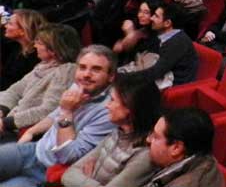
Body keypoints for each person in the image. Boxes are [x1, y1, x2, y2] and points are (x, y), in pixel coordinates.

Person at [0, 45, 117, 186]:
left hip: (50, 173)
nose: (86, 74)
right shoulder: (79, 86)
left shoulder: (110, 110)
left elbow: (68, 155)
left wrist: (68, 112)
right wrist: (31, 131)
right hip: (34, 150)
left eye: (96, 69)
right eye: (82, 67)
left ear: (111, 77)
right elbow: (56, 114)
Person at [62, 76, 162, 187]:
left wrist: (86, 181)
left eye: (113, 100)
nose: (107, 106)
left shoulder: (144, 155)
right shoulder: (117, 132)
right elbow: (68, 174)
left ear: (130, 107)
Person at [0, 23, 79, 136]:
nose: (35, 46)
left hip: (23, 130)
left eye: (39, 43)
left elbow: (48, 110)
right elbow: (14, 91)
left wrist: (6, 123)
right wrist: (1, 109)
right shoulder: (42, 66)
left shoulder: (66, 71)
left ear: (53, 49)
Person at [120, 3, 198, 87]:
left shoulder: (177, 43)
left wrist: (126, 77)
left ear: (167, 23)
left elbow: (156, 72)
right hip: (162, 74)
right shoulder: (166, 35)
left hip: (173, 85)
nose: (151, 18)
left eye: (156, 16)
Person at [143, 108, 223, 187]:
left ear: (176, 148)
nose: (148, 139)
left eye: (156, 137)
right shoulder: (204, 158)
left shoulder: (190, 182)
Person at [0, 9, 47, 90]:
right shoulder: (16, 47)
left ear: (22, 31)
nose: (5, 26)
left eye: (10, 24)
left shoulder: (36, 57)